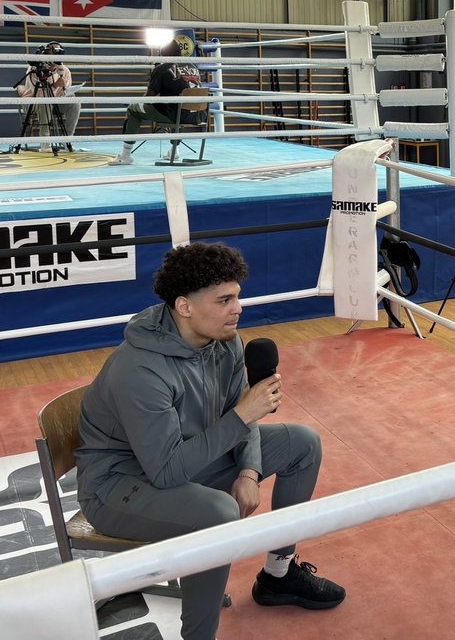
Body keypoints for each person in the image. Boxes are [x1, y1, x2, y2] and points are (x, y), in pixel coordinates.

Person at [75, 243, 345, 640]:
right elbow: (169, 471)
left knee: (302, 443)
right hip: (117, 485)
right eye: (224, 299)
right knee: (218, 512)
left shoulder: (226, 342)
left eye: (237, 296)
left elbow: (242, 416)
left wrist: (249, 472)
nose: (238, 307)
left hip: (185, 454)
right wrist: (241, 416)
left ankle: (278, 576)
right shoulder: (140, 369)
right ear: (184, 307)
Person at [111, 34, 202, 165]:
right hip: (198, 115)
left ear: (163, 54)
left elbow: (149, 98)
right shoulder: (194, 67)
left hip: (176, 114)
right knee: (180, 106)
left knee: (133, 109)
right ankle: (175, 150)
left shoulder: (162, 69)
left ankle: (125, 155)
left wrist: (139, 102)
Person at [15, 41, 79, 150]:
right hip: (33, 103)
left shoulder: (65, 70)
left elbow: (66, 92)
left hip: (55, 103)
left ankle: (66, 139)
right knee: (44, 102)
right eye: (52, 51)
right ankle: (45, 143)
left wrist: (64, 90)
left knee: (74, 102)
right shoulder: (35, 69)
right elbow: (39, 94)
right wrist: (54, 86)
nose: (55, 53)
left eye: (57, 51)